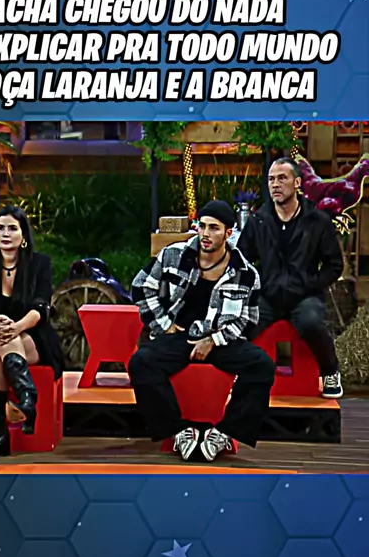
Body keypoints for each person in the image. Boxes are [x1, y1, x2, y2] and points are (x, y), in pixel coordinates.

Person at [129, 201, 275, 462]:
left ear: (228, 233)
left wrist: (214, 340)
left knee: (262, 366)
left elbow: (247, 320)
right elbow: (141, 286)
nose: (206, 233)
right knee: (140, 363)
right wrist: (163, 323)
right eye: (202, 226)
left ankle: (225, 433)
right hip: (178, 335)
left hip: (220, 338)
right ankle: (178, 431)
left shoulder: (245, 273)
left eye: (214, 228)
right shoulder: (173, 254)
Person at [237, 157, 344, 398]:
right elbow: (242, 261)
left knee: (310, 323)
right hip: (269, 295)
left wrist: (311, 284)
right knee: (241, 324)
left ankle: (330, 371)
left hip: (305, 295)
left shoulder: (317, 221)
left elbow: (334, 265)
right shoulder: (258, 220)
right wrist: (255, 287)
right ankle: (241, 375)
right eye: (271, 180)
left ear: (297, 183)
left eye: (282, 178)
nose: (275, 184)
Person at [0, 205, 64, 463]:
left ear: (23, 235)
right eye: (0, 228)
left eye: (12, 228)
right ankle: (26, 397)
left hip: (33, 337)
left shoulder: (39, 264)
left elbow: (41, 308)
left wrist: (16, 327)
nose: (5, 234)